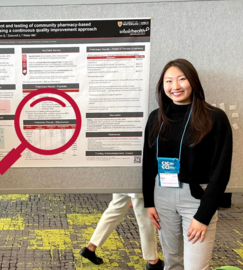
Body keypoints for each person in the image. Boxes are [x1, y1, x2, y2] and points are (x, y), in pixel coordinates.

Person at [142, 59, 233, 270]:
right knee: (172, 263)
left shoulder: (214, 118)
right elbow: (148, 163)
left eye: (182, 79)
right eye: (169, 81)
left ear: (193, 82)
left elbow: (222, 171)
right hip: (162, 195)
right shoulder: (156, 118)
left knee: (196, 266)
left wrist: (203, 215)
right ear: (162, 86)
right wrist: (149, 202)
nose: (175, 86)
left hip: (196, 199)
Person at [79, 193, 163, 269]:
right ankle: (152, 260)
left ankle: (90, 247)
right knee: (145, 217)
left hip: (121, 180)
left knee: (115, 209)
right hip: (137, 180)